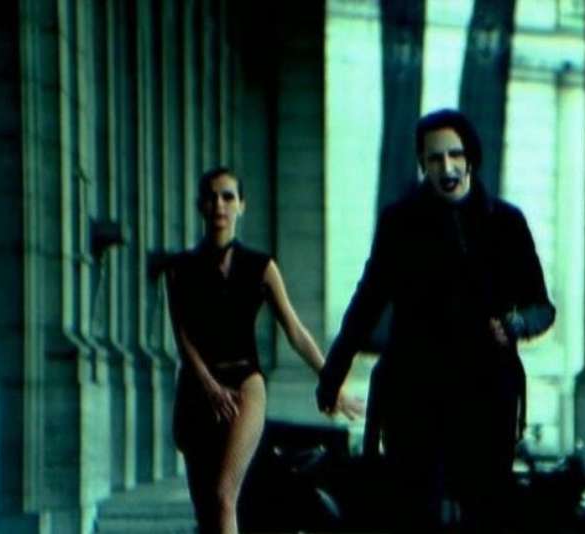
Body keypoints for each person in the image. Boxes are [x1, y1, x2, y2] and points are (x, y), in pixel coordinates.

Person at [316, 109, 556, 532]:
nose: (447, 168)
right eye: (435, 158)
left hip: (487, 392)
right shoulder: (400, 223)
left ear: (470, 158)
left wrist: (514, 324)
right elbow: (368, 300)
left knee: (484, 512)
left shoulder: (506, 222)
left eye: (455, 155)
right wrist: (334, 372)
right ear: (422, 164)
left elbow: (542, 307)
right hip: (415, 392)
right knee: (416, 512)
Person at [165, 167, 361, 534]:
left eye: (228, 196)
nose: (219, 204)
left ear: (242, 205)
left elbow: (296, 332)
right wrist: (209, 386)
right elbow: (183, 337)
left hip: (245, 384)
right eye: (211, 197)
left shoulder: (260, 266)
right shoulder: (180, 269)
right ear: (200, 205)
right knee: (206, 509)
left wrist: (332, 381)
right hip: (197, 390)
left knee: (225, 495)